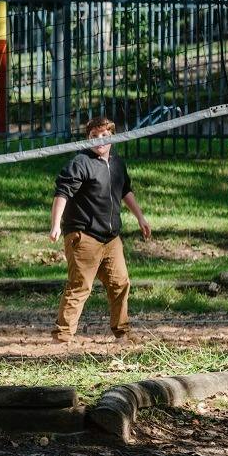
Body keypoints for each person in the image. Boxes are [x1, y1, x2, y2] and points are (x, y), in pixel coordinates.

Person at [50, 116, 152, 343]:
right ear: (88, 139)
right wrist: (56, 225)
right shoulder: (80, 163)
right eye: (94, 136)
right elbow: (62, 193)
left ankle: (122, 333)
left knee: (120, 283)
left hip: (111, 238)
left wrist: (141, 218)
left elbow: (125, 190)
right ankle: (62, 336)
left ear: (113, 137)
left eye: (105, 135)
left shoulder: (117, 163)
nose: (100, 140)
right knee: (80, 286)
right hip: (84, 234)